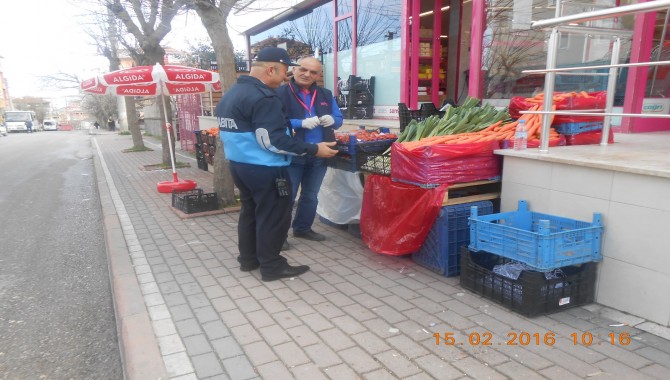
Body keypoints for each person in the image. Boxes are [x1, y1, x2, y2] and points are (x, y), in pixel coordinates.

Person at [215, 47, 338, 282]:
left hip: (240, 165)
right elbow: (272, 141)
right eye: (283, 72)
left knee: (250, 212)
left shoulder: (232, 93)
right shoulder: (264, 98)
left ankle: (248, 259)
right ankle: (272, 266)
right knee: (273, 216)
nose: (285, 78)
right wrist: (314, 149)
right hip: (265, 168)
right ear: (271, 69)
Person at [276, 56, 344, 242]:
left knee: (311, 195)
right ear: (294, 70)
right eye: (303, 69)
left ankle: (302, 228)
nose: (307, 74)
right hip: (293, 153)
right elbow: (273, 123)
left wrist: (334, 120)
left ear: (318, 75)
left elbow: (338, 119)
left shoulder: (326, 94)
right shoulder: (279, 93)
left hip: (320, 153)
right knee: (287, 198)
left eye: (313, 72)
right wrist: (300, 123)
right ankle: (279, 237)